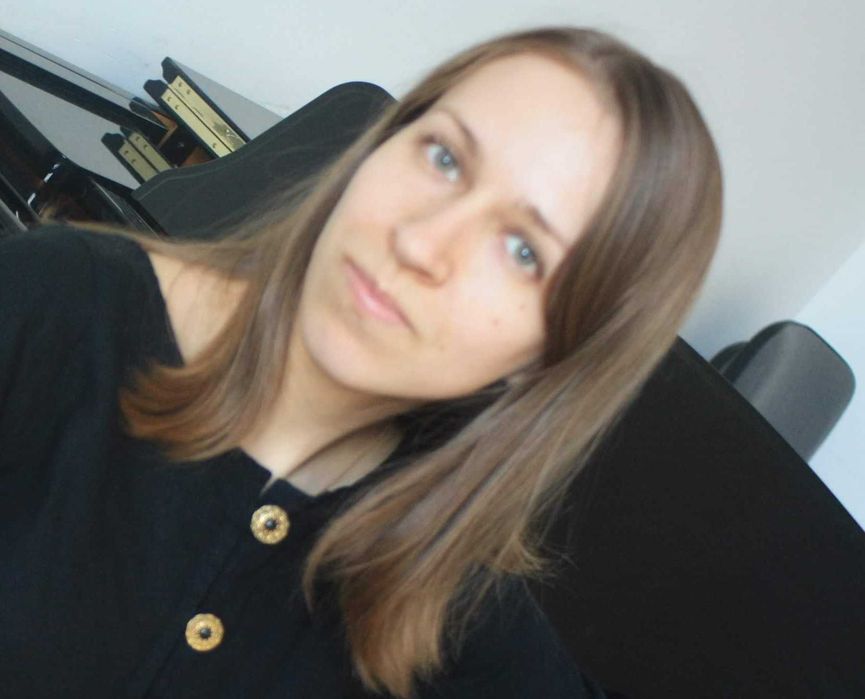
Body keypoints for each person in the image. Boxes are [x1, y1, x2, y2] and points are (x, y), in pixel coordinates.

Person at [0, 25, 722, 699]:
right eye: (444, 158)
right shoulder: (53, 304)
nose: (421, 242)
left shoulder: (460, 609)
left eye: (522, 250)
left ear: (549, 359)